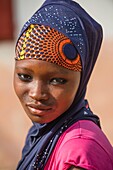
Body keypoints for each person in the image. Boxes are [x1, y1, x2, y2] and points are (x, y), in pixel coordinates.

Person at [14, 0, 113, 169]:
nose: (37, 93)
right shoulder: (41, 133)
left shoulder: (78, 155)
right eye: (25, 76)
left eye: (57, 80)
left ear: (81, 79)